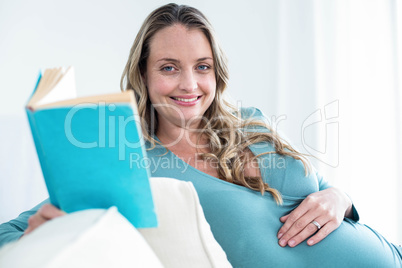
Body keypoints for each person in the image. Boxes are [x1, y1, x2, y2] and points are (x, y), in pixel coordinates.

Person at [0, 3, 401, 267]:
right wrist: (42, 229)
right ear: (143, 74)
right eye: (170, 67)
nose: (190, 84)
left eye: (203, 66)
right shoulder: (129, 158)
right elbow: (10, 233)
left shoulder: (251, 120)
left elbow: (319, 186)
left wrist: (340, 198)